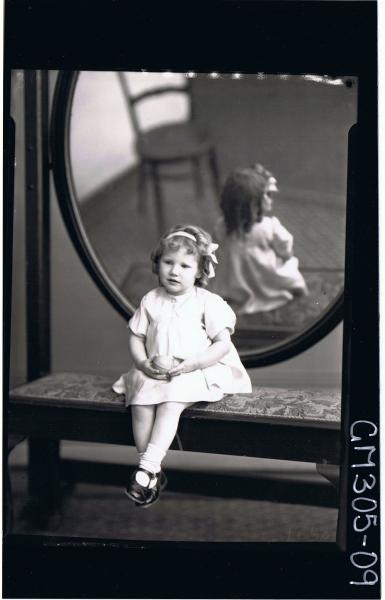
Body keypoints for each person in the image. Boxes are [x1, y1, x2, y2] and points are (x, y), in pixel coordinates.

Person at [112, 224, 251, 508]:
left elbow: (221, 344)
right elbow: (137, 337)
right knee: (139, 402)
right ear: (157, 264)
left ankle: (148, 467)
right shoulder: (151, 299)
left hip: (198, 369)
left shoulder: (206, 302)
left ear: (200, 271)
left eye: (185, 266)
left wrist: (192, 364)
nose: (174, 271)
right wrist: (142, 362)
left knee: (171, 402)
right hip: (156, 370)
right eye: (168, 263)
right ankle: (149, 471)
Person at [212, 164, 308, 315]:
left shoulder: (222, 226)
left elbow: (219, 246)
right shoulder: (270, 227)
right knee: (288, 266)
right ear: (254, 204)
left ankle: (239, 294)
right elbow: (285, 247)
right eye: (267, 196)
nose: (271, 200)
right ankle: (270, 293)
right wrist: (285, 256)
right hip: (265, 275)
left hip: (233, 278)